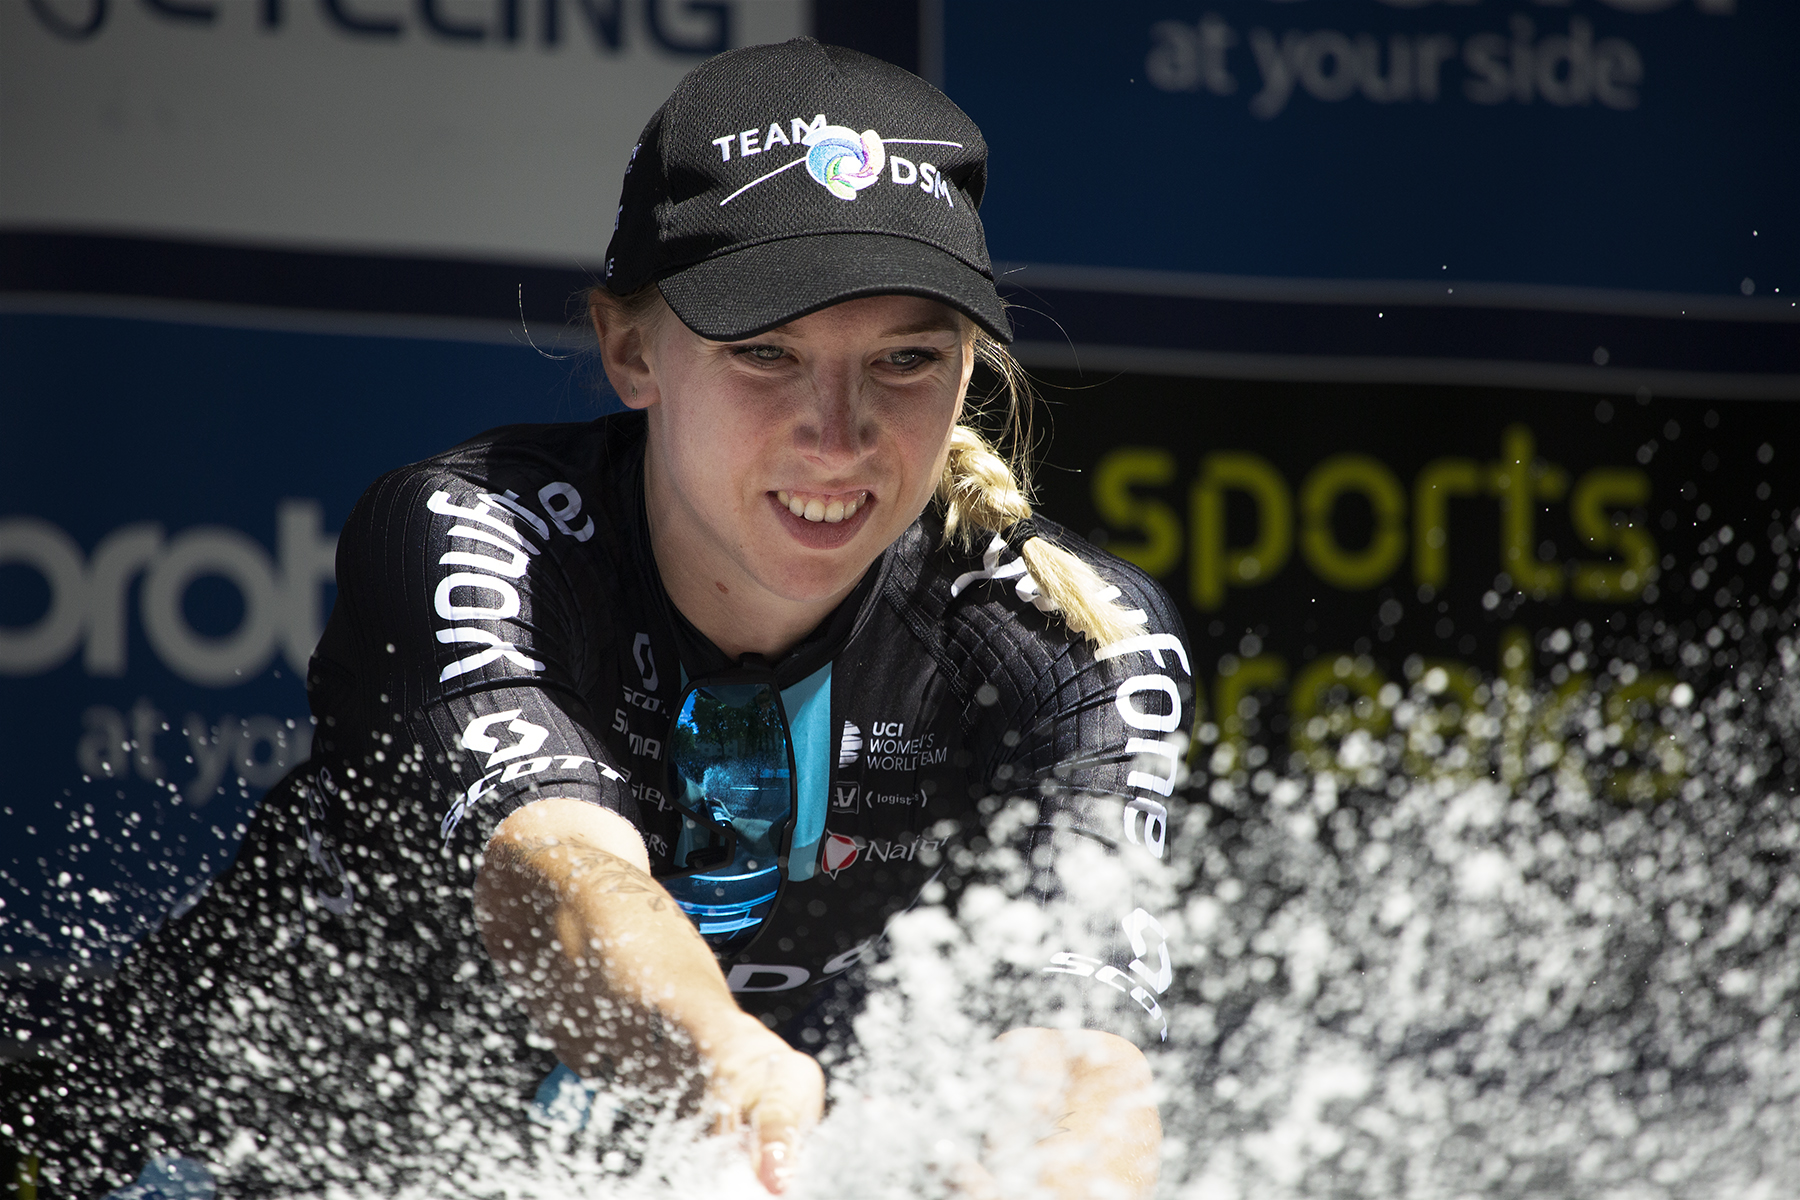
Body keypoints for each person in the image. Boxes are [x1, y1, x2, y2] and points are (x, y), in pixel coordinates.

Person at [7, 38, 1189, 1199]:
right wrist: (728, 1071)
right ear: (632, 347)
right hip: (186, 1145)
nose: (839, 433)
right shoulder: (473, 530)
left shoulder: (1073, 642)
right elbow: (560, 879)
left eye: (906, 359)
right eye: (765, 352)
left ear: (973, 363)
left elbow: (1081, 1052)